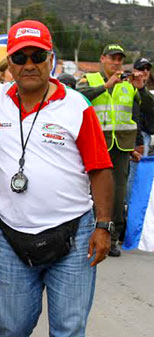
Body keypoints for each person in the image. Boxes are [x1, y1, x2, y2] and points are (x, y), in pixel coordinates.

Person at [0, 20, 114, 337]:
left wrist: (103, 226)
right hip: (12, 237)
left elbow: (100, 168)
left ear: (51, 58)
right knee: (9, 330)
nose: (29, 64)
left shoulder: (76, 106)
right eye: (20, 57)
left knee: (68, 333)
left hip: (74, 235)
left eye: (37, 55)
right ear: (9, 63)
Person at [77, 43, 144, 257]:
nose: (116, 63)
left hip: (121, 146)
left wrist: (141, 87)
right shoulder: (90, 79)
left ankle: (112, 238)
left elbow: (140, 115)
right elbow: (79, 97)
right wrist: (106, 85)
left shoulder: (129, 85)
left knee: (116, 194)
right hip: (94, 144)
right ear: (102, 59)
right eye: (112, 58)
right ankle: (86, 233)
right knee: (88, 191)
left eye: (119, 59)